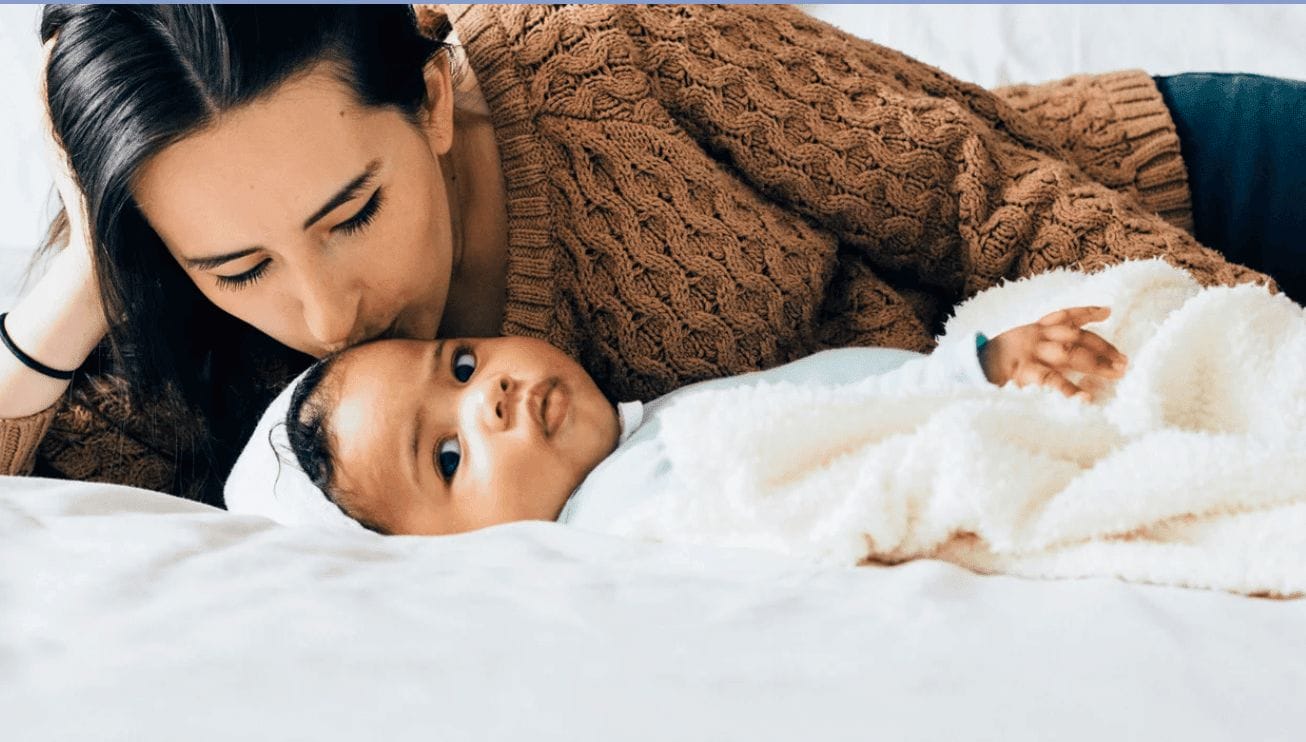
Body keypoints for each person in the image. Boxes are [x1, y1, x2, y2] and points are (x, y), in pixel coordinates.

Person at [0, 4, 1290, 504]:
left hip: (1174, 199)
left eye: (351, 213)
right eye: (240, 267)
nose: (326, 308)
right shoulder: (173, 317)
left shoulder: (620, 58)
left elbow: (987, 196)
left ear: (432, 99)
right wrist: (85, 274)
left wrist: (1247, 365)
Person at [224, 304, 1127, 534]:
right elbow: (830, 475)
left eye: (459, 365)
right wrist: (974, 380)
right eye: (451, 457)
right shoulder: (631, 515)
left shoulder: (652, 428)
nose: (488, 394)